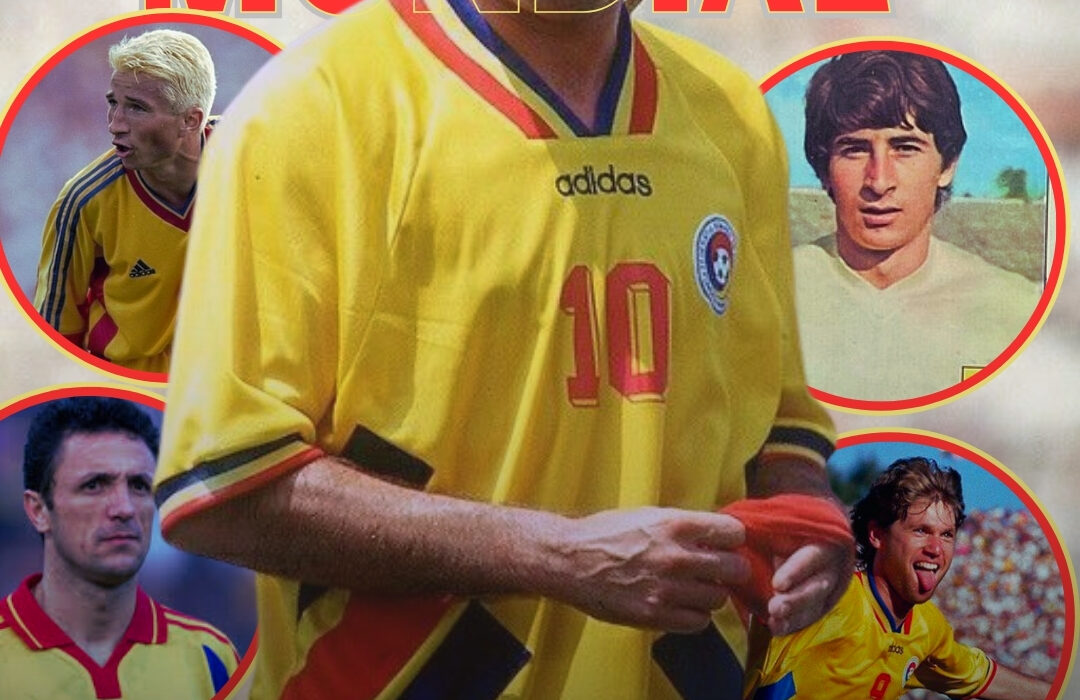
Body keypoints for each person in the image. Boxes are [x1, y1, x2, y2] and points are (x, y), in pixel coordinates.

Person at [153, 0, 853, 697]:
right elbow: (227, 490)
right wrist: (558, 556)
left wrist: (808, 518)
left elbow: (775, 423)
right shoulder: (312, 104)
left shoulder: (731, 110)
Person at [792, 50, 1041, 401]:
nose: (879, 181)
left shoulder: (1017, 308)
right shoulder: (765, 296)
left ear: (947, 166)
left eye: (905, 147)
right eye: (854, 149)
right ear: (824, 170)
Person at [743, 457, 1053, 699]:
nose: (935, 548)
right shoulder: (830, 598)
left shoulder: (928, 629)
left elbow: (981, 677)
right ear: (877, 535)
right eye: (921, 531)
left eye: (946, 534)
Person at [0, 397, 238, 698]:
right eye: (94, 485)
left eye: (139, 485)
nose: (124, 508)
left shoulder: (210, 659)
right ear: (39, 511)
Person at [33, 29, 217, 375]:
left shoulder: (251, 160)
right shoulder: (83, 200)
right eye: (113, 103)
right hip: (129, 383)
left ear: (190, 120)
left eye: (136, 108)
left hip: (226, 381)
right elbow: (55, 336)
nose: (115, 125)